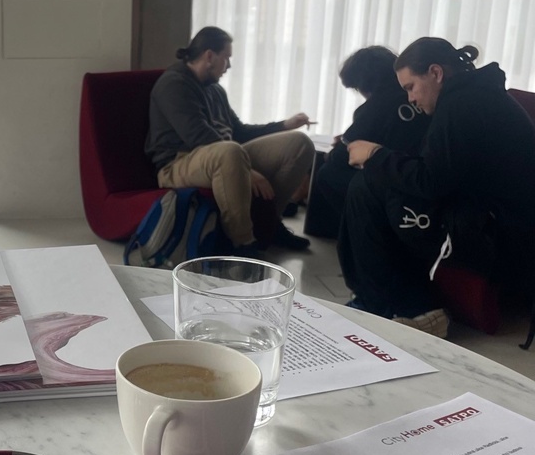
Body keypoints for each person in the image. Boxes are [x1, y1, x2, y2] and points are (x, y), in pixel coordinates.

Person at [338, 37, 535, 336]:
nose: (410, 99)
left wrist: (375, 154)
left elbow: (431, 181)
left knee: (373, 187)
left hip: (502, 237)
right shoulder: (473, 94)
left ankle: (411, 308)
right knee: (375, 185)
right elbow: (439, 168)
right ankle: (381, 299)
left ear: (436, 73)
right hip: (496, 220)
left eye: (411, 87)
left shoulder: (462, 104)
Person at [145, 26, 316, 254]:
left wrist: (284, 125)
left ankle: (269, 223)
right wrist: (249, 171)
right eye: (226, 58)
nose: (229, 66)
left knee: (300, 144)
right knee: (230, 152)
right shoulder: (174, 84)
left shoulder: (215, 90)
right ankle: (243, 243)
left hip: (227, 155)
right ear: (209, 56)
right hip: (178, 163)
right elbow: (199, 137)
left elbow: (240, 132)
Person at [308, 45, 429, 237]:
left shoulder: (375, 107)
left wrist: (339, 149)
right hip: (419, 174)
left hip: (398, 183)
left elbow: (341, 156)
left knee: (328, 173)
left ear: (363, 84)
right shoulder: (418, 95)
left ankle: (361, 230)